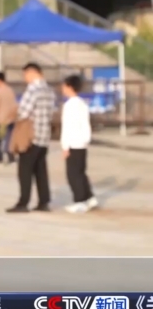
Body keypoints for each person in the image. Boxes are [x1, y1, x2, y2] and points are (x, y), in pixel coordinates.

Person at [7, 62, 56, 213]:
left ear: (32, 72)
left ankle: (23, 202)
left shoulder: (33, 90)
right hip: (44, 136)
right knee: (41, 170)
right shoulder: (49, 90)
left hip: (30, 136)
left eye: (25, 75)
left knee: (25, 170)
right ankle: (44, 202)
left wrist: (13, 115)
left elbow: (23, 112)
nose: (25, 78)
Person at [60, 75, 98, 214]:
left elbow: (67, 127)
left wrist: (65, 146)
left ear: (70, 87)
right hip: (82, 143)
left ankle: (80, 201)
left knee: (73, 175)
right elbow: (86, 124)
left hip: (72, 143)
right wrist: (86, 139)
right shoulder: (83, 104)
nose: (62, 89)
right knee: (81, 173)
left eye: (64, 86)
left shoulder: (69, 105)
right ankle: (89, 197)